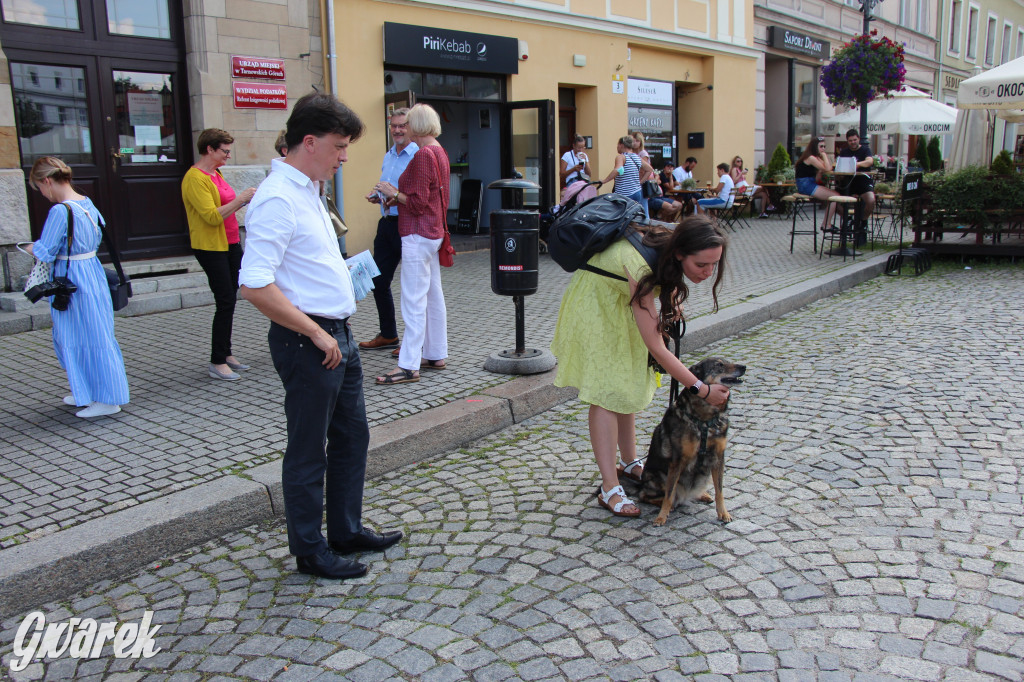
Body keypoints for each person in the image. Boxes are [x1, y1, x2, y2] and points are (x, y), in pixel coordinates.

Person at [239, 93, 402, 580]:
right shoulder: (277, 197)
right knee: (309, 448)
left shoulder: (309, 189)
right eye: (339, 146)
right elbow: (253, 284)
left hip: (338, 335)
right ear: (308, 143)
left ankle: (345, 529)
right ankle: (309, 550)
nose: (345, 156)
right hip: (309, 340)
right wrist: (314, 331)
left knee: (353, 437)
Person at [550, 216, 730, 517]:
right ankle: (609, 487)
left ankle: (629, 462)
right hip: (595, 306)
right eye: (702, 265)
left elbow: (668, 284)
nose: (708, 272)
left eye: (715, 264)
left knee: (628, 380)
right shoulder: (640, 268)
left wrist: (672, 302)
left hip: (622, 301)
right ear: (681, 253)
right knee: (607, 390)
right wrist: (701, 389)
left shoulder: (674, 243)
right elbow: (657, 348)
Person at [25, 157, 130, 418]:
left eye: (39, 188)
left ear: (47, 181)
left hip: (71, 279)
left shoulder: (61, 211)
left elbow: (45, 251)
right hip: (90, 274)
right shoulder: (87, 203)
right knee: (93, 334)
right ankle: (88, 391)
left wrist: (27, 247)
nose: (42, 194)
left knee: (80, 336)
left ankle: (106, 398)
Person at [373, 103, 449, 385]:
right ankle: (435, 353)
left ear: (416, 125)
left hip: (418, 232)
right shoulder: (438, 150)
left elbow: (417, 203)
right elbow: (429, 196)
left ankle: (408, 364)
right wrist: (398, 197)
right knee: (432, 295)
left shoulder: (423, 155)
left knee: (414, 299)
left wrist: (393, 192)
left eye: (407, 124)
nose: (402, 129)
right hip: (433, 231)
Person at [181, 128, 257, 381]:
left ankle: (226, 353)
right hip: (211, 247)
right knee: (224, 300)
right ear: (210, 149)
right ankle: (217, 360)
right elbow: (212, 216)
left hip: (231, 242)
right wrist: (241, 199)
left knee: (231, 299)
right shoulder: (195, 178)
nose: (228, 155)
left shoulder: (216, 174)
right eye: (224, 151)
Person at [358, 108, 419, 353]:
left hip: (409, 225)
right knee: (378, 280)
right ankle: (388, 334)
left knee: (414, 286)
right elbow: (390, 187)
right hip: (387, 223)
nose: (397, 130)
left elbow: (417, 198)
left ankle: (417, 342)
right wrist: (379, 195)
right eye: (393, 126)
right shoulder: (390, 155)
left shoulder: (418, 155)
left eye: (402, 125)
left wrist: (394, 193)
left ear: (411, 128)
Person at [601, 135, 654, 218]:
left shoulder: (621, 157)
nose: (617, 147)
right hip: (637, 192)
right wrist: (640, 182)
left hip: (624, 193)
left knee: (620, 217)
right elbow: (650, 169)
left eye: (617, 145)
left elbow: (618, 170)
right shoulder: (637, 157)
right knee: (633, 217)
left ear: (622, 145)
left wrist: (604, 181)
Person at [794, 137, 840, 232]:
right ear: (815, 147)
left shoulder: (814, 157)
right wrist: (824, 156)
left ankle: (827, 223)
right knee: (835, 196)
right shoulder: (811, 158)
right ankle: (826, 224)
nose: (823, 149)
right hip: (806, 185)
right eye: (821, 146)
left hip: (809, 183)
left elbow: (825, 169)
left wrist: (821, 165)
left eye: (824, 146)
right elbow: (827, 169)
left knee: (835, 195)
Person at [838, 129, 876, 225]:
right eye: (850, 141)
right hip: (848, 182)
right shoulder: (844, 152)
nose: (853, 142)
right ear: (847, 141)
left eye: (854, 140)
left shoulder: (865, 149)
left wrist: (856, 164)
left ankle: (862, 221)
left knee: (871, 200)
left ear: (858, 139)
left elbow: (870, 161)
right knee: (832, 202)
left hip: (863, 181)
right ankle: (848, 218)